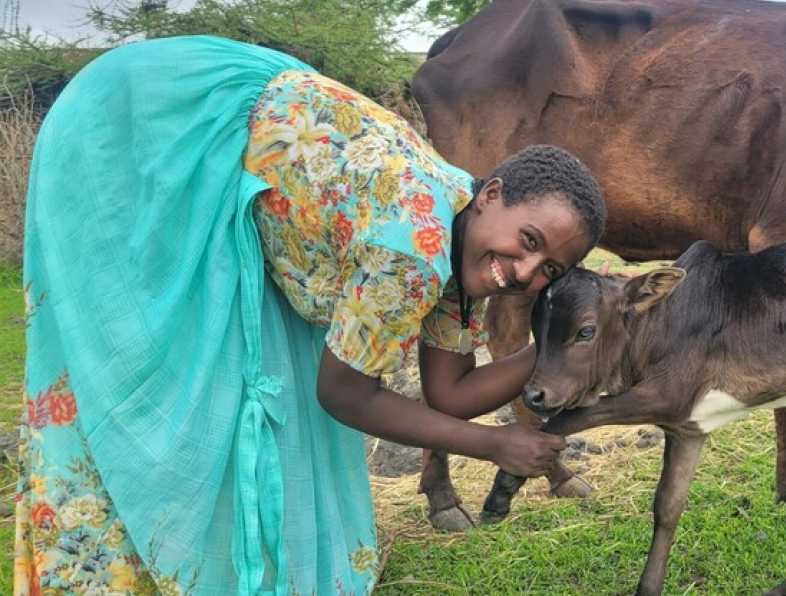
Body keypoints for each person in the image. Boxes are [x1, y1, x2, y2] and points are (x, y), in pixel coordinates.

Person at [15, 35, 606, 596]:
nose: (526, 271)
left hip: (233, 125)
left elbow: (448, 394)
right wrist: (492, 445)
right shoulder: (412, 246)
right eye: (529, 240)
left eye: (549, 269)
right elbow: (346, 396)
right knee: (151, 371)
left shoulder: (464, 242)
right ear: (493, 195)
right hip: (154, 121)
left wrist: (559, 348)